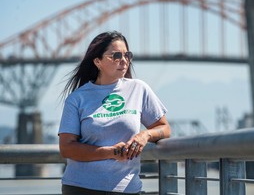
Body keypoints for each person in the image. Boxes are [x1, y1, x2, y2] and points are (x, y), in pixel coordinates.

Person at [58, 31, 171, 195]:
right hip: (81, 188)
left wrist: (145, 135)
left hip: (127, 189)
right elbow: (67, 148)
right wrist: (111, 152)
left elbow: (165, 128)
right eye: (116, 56)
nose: (124, 60)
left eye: (127, 55)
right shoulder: (77, 99)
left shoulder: (139, 89)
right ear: (98, 61)